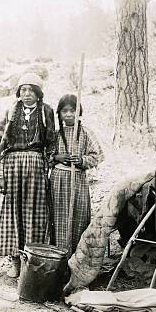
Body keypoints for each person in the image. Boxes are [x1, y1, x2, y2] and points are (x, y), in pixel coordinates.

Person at [0, 72, 55, 278]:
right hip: (12, 165)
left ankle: (30, 260)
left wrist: (48, 165)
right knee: (10, 212)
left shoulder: (46, 111)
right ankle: (14, 259)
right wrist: (1, 168)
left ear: (38, 94)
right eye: (23, 90)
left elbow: (51, 141)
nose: (27, 94)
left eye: (31, 90)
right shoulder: (11, 111)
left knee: (33, 213)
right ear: (18, 92)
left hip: (35, 165)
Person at [50, 94, 104, 254]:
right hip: (58, 181)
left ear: (79, 111)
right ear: (59, 113)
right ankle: (59, 257)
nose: (68, 114)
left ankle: (77, 257)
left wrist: (81, 159)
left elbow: (98, 156)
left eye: (72, 110)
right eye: (64, 111)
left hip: (78, 181)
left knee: (78, 217)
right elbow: (46, 156)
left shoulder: (86, 133)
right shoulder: (55, 134)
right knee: (58, 218)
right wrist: (57, 157)